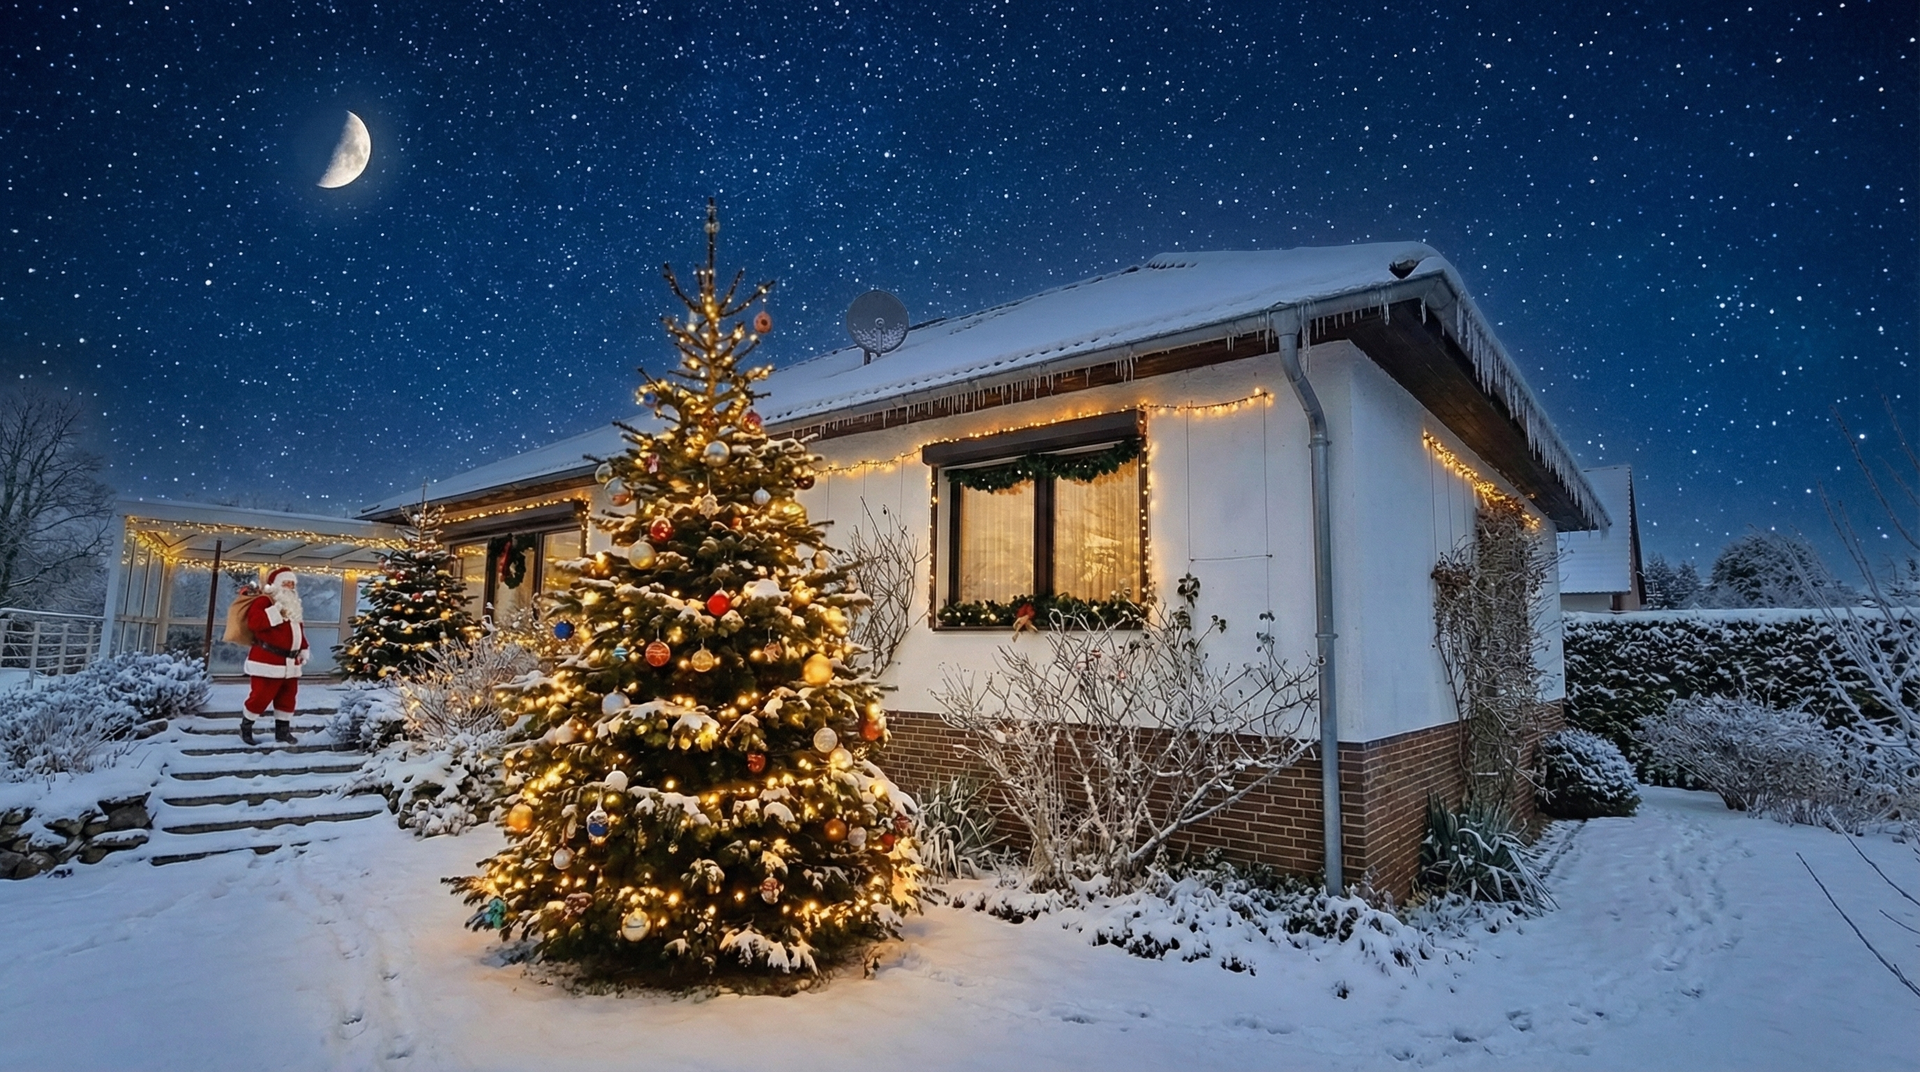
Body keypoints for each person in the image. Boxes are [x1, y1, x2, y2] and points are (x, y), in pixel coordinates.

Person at [240, 566, 310, 746]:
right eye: (286, 582)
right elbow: (255, 623)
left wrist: (303, 648)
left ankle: (283, 732)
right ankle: (246, 727)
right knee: (261, 697)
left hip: (291, 662)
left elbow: (298, 631)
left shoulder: (293, 605)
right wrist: (277, 610)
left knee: (287, 698)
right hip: (268, 660)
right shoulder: (265, 601)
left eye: (292, 583)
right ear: (277, 585)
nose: (290, 586)